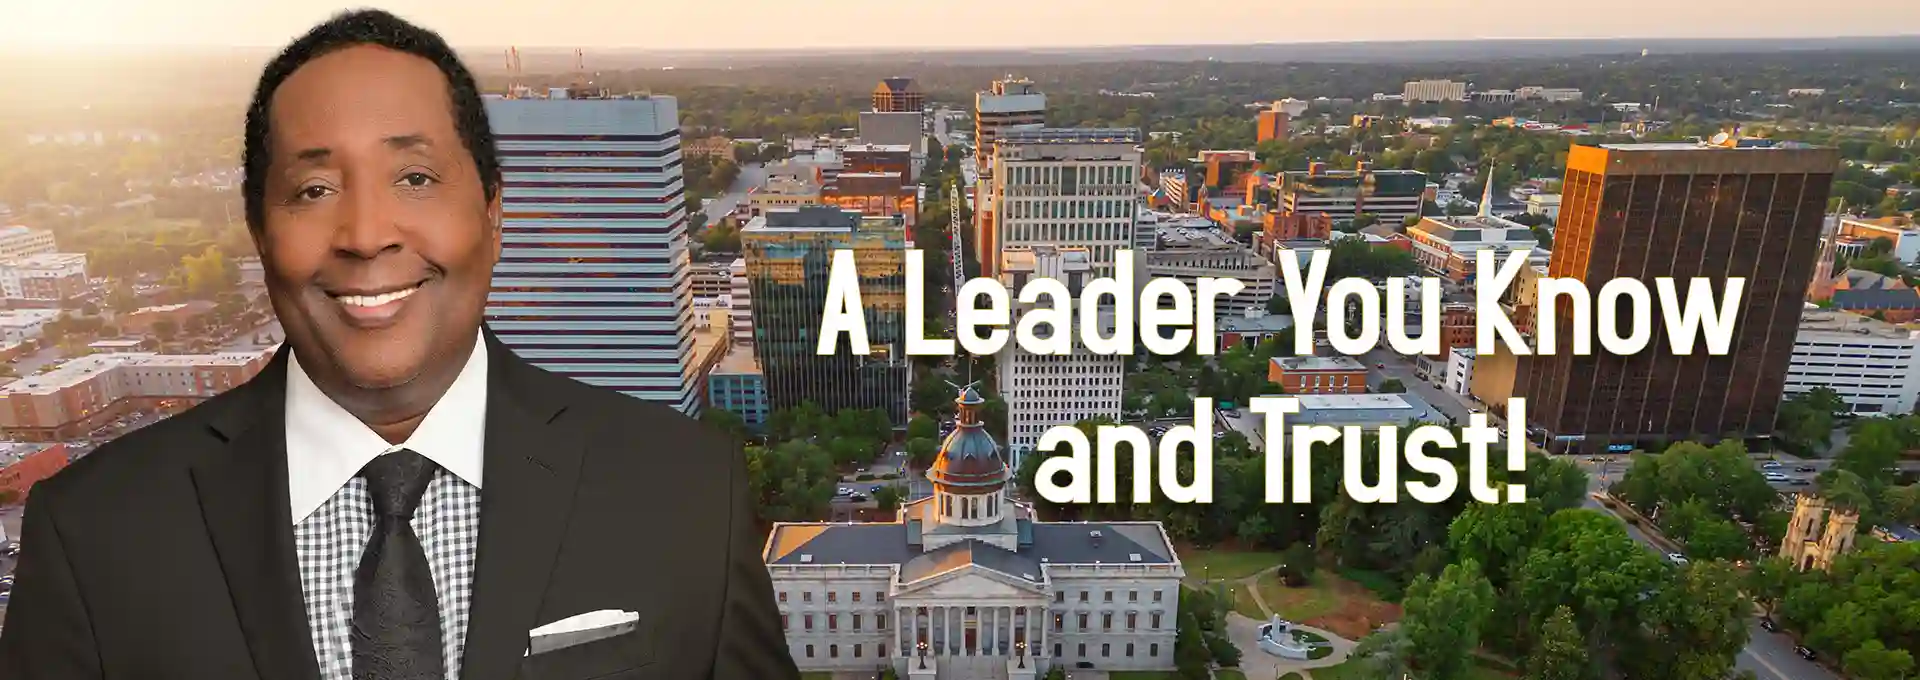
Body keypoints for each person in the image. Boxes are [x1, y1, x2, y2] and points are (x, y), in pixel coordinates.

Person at [0, 10, 796, 680]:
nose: (367, 234)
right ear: (259, 232)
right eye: (314, 189)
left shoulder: (687, 490)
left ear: (492, 213)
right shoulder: (95, 533)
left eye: (414, 178)